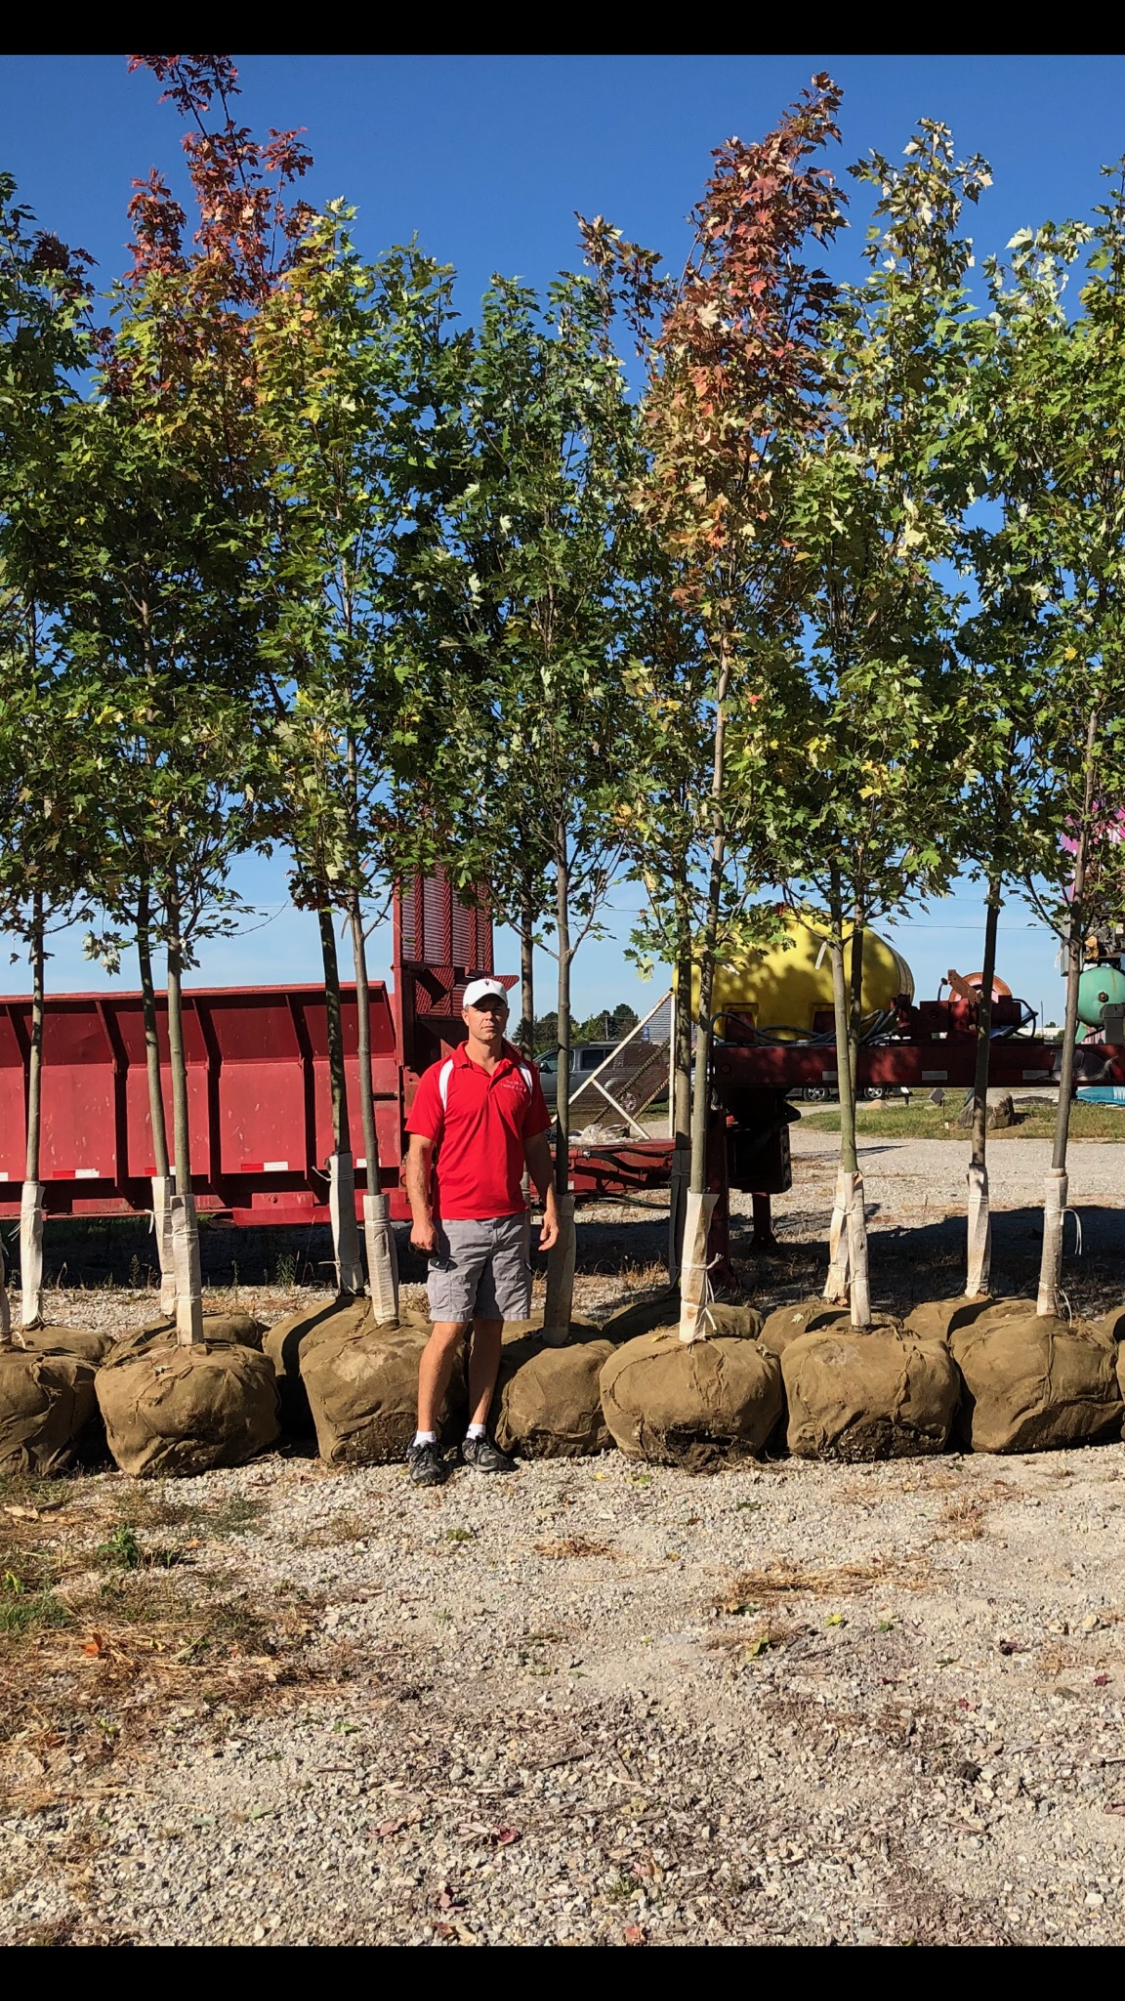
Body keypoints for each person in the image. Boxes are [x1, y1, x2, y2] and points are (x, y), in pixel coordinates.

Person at [404, 977, 560, 1486]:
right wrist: (423, 1217)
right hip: (456, 1225)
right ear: (465, 1018)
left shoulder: (525, 1076)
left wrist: (550, 1205)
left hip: (510, 1222)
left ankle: (476, 1433)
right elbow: (419, 1154)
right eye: (481, 1009)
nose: (491, 1016)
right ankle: (425, 1440)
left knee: (492, 1327)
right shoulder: (442, 1077)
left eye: (498, 1008)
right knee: (448, 1330)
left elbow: (536, 1147)